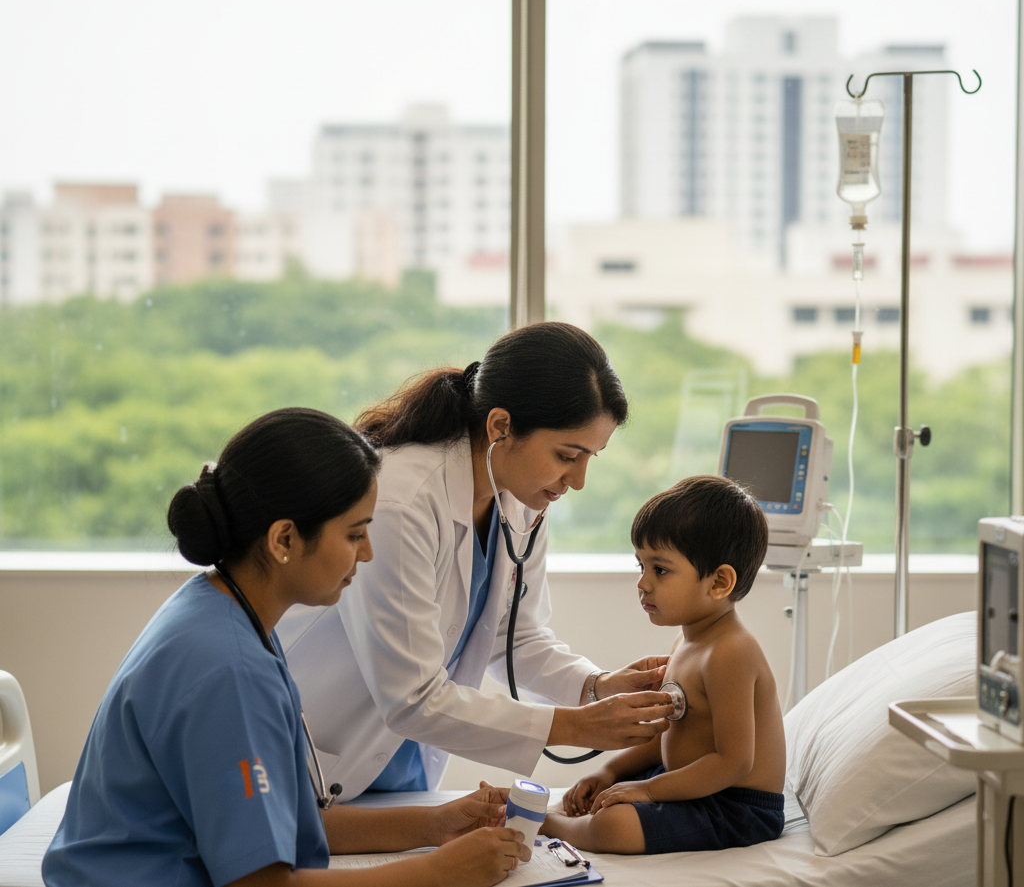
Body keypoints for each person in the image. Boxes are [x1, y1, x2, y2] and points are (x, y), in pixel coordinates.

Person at [43, 408, 531, 887]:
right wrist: (437, 874)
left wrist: (435, 826)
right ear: (284, 539)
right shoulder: (229, 670)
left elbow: (285, 827)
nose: (368, 552)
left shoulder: (226, 611)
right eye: (355, 533)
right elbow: (261, 883)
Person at [278, 321, 675, 800]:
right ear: (501, 426)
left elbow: (515, 636)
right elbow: (413, 698)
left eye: (592, 456)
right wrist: (578, 726)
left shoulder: (522, 499)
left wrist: (595, 686)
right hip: (313, 750)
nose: (578, 480)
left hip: (402, 768)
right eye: (568, 455)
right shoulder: (400, 504)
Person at [541, 474, 786, 854]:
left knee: (615, 824)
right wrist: (611, 771)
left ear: (719, 582)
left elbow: (734, 762)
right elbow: (670, 736)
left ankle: (555, 825)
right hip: (691, 781)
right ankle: (585, 814)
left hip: (734, 805)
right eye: (640, 566)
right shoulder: (688, 641)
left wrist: (648, 789)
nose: (643, 583)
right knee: (608, 794)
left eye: (660, 569)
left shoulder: (731, 652)